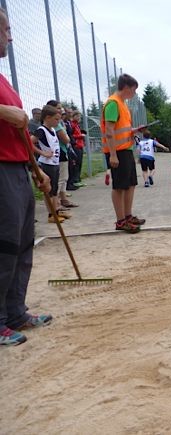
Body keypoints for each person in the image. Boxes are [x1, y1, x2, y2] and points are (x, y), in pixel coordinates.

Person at [0, 7, 53, 346]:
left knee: (22, 245)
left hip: (18, 167)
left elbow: (18, 131)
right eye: (5, 29)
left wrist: (36, 171)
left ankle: (16, 311)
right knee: (4, 246)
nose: (10, 36)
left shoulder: (3, 80)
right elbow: (13, 119)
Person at [100, 73, 146, 233]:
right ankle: (120, 221)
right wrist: (112, 154)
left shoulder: (122, 104)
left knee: (130, 184)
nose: (134, 94)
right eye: (133, 90)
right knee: (119, 186)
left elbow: (120, 129)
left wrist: (134, 131)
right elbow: (109, 130)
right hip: (117, 152)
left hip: (126, 149)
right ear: (126, 88)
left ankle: (127, 216)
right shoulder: (113, 103)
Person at [33, 105, 70, 223]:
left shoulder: (53, 130)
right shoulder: (41, 130)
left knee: (55, 190)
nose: (58, 122)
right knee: (49, 191)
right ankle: (51, 214)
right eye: (56, 119)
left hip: (55, 163)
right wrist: (42, 152)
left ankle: (56, 211)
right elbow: (29, 142)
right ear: (47, 117)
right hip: (47, 164)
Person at [70, 110, 86, 187]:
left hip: (80, 145)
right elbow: (71, 136)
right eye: (77, 116)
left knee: (79, 163)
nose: (79, 117)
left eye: (79, 116)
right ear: (73, 116)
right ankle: (75, 180)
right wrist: (80, 136)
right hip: (76, 146)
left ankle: (78, 179)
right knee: (76, 163)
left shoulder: (77, 125)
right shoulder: (72, 125)